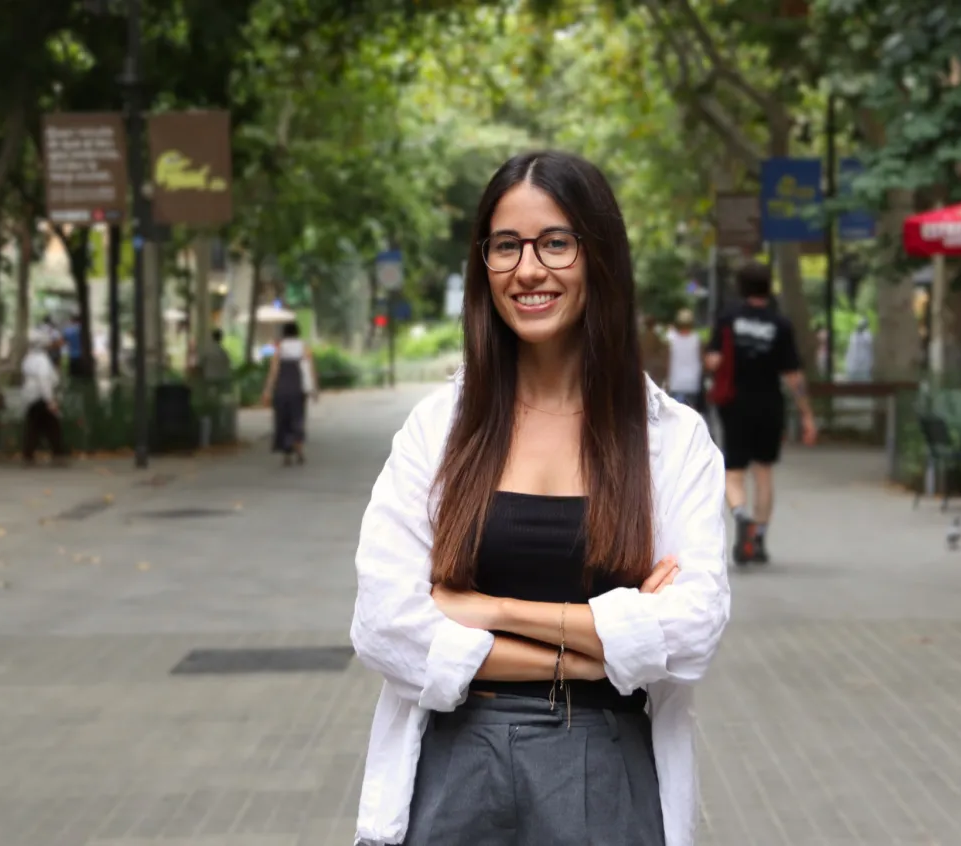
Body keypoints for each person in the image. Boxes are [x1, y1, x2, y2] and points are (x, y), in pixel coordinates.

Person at [350, 151, 729, 846]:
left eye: (555, 242)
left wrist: (490, 610)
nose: (528, 269)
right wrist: (589, 651)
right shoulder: (438, 430)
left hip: (603, 769)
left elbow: (693, 629)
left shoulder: (670, 440)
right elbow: (383, 623)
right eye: (506, 246)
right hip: (454, 762)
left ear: (599, 256)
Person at [704, 260, 816, 565]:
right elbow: (793, 375)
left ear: (741, 287)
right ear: (769, 287)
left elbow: (713, 361)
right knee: (764, 472)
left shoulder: (728, 318)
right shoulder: (780, 324)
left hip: (734, 404)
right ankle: (760, 539)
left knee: (734, 472)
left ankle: (741, 516)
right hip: (769, 404)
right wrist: (807, 415)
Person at [260, 322, 318, 466]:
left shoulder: (279, 348)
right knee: (297, 419)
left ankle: (286, 453)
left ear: (284, 333)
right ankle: (298, 448)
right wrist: (314, 389)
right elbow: (310, 370)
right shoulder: (304, 347)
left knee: (283, 420)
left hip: (281, 390)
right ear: (297, 332)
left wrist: (267, 391)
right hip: (298, 389)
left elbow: (273, 372)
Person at [21, 330, 66, 465]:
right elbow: (44, 380)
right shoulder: (42, 360)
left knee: (34, 426)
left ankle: (29, 453)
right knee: (52, 425)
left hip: (31, 397)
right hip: (40, 397)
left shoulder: (28, 358)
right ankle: (58, 452)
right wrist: (50, 400)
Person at [666, 307, 704, 411]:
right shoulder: (697, 339)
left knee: (676, 414)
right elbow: (702, 360)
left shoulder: (671, 339)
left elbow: (667, 361)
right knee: (691, 414)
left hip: (676, 383)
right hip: (692, 384)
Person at [638, 313, 668, 387]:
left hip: (642, 364)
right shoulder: (655, 336)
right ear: (653, 324)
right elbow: (662, 348)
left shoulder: (641, 336)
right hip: (653, 366)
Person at [844, 316, 874, 382]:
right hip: (854, 365)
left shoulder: (868, 335)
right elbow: (850, 351)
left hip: (864, 365)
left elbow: (870, 350)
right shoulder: (853, 336)